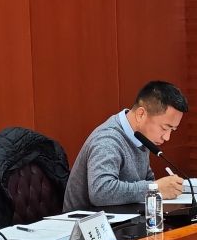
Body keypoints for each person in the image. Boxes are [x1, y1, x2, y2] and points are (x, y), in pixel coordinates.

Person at [63, 81, 188, 211]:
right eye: (165, 128)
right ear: (141, 114)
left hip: (124, 217)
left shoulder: (140, 136)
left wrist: (167, 188)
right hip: (89, 222)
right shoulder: (107, 140)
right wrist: (155, 188)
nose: (167, 137)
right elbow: (100, 192)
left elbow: (146, 180)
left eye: (172, 130)